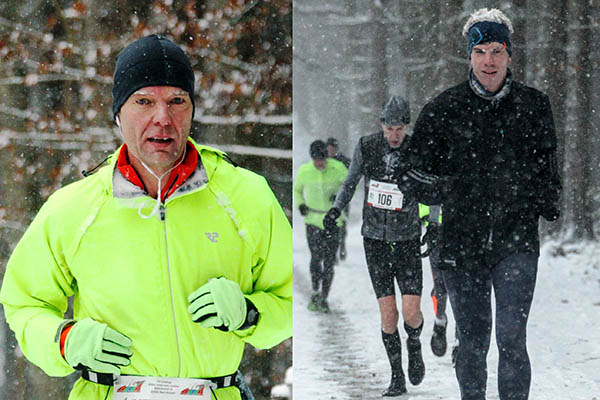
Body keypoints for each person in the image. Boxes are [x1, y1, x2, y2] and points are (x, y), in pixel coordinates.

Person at [0, 34, 292, 400]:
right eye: (143, 101)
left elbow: (290, 299)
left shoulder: (246, 196)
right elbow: (24, 303)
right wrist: (64, 340)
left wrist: (249, 312)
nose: (162, 118)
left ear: (191, 109)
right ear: (118, 113)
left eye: (176, 101)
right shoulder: (74, 207)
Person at [406, 9, 561, 400]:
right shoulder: (444, 109)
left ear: (510, 55)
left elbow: (549, 169)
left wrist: (540, 200)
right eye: (480, 51)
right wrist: (444, 188)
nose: (488, 61)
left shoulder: (534, 106)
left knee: (511, 338)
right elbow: (414, 174)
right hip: (462, 245)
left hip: (517, 242)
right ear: (469, 56)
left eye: (496, 50)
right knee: (473, 343)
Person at [324, 96, 440, 396]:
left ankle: (414, 345)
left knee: (411, 311)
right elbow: (350, 182)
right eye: (389, 129)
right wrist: (336, 210)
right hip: (374, 238)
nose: (394, 136)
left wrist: (435, 224)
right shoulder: (367, 146)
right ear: (381, 126)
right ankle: (396, 377)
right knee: (389, 314)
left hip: (407, 238)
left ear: (407, 127)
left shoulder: (417, 149)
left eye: (400, 129)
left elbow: (433, 188)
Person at [293, 140, 347, 313]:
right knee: (316, 257)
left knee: (330, 260)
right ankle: (315, 291)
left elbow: (349, 186)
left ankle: (325, 296)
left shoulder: (338, 168)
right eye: (317, 160)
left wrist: (338, 198)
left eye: (323, 159)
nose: (320, 163)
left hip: (332, 221)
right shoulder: (305, 171)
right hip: (313, 220)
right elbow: (297, 190)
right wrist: (301, 204)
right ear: (312, 159)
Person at [326, 137, 351, 261]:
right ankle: (332, 251)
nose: (330, 150)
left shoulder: (344, 161)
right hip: (327, 199)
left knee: (342, 224)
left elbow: (350, 180)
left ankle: (341, 246)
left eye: (332, 148)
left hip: (342, 198)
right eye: (329, 148)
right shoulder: (323, 160)